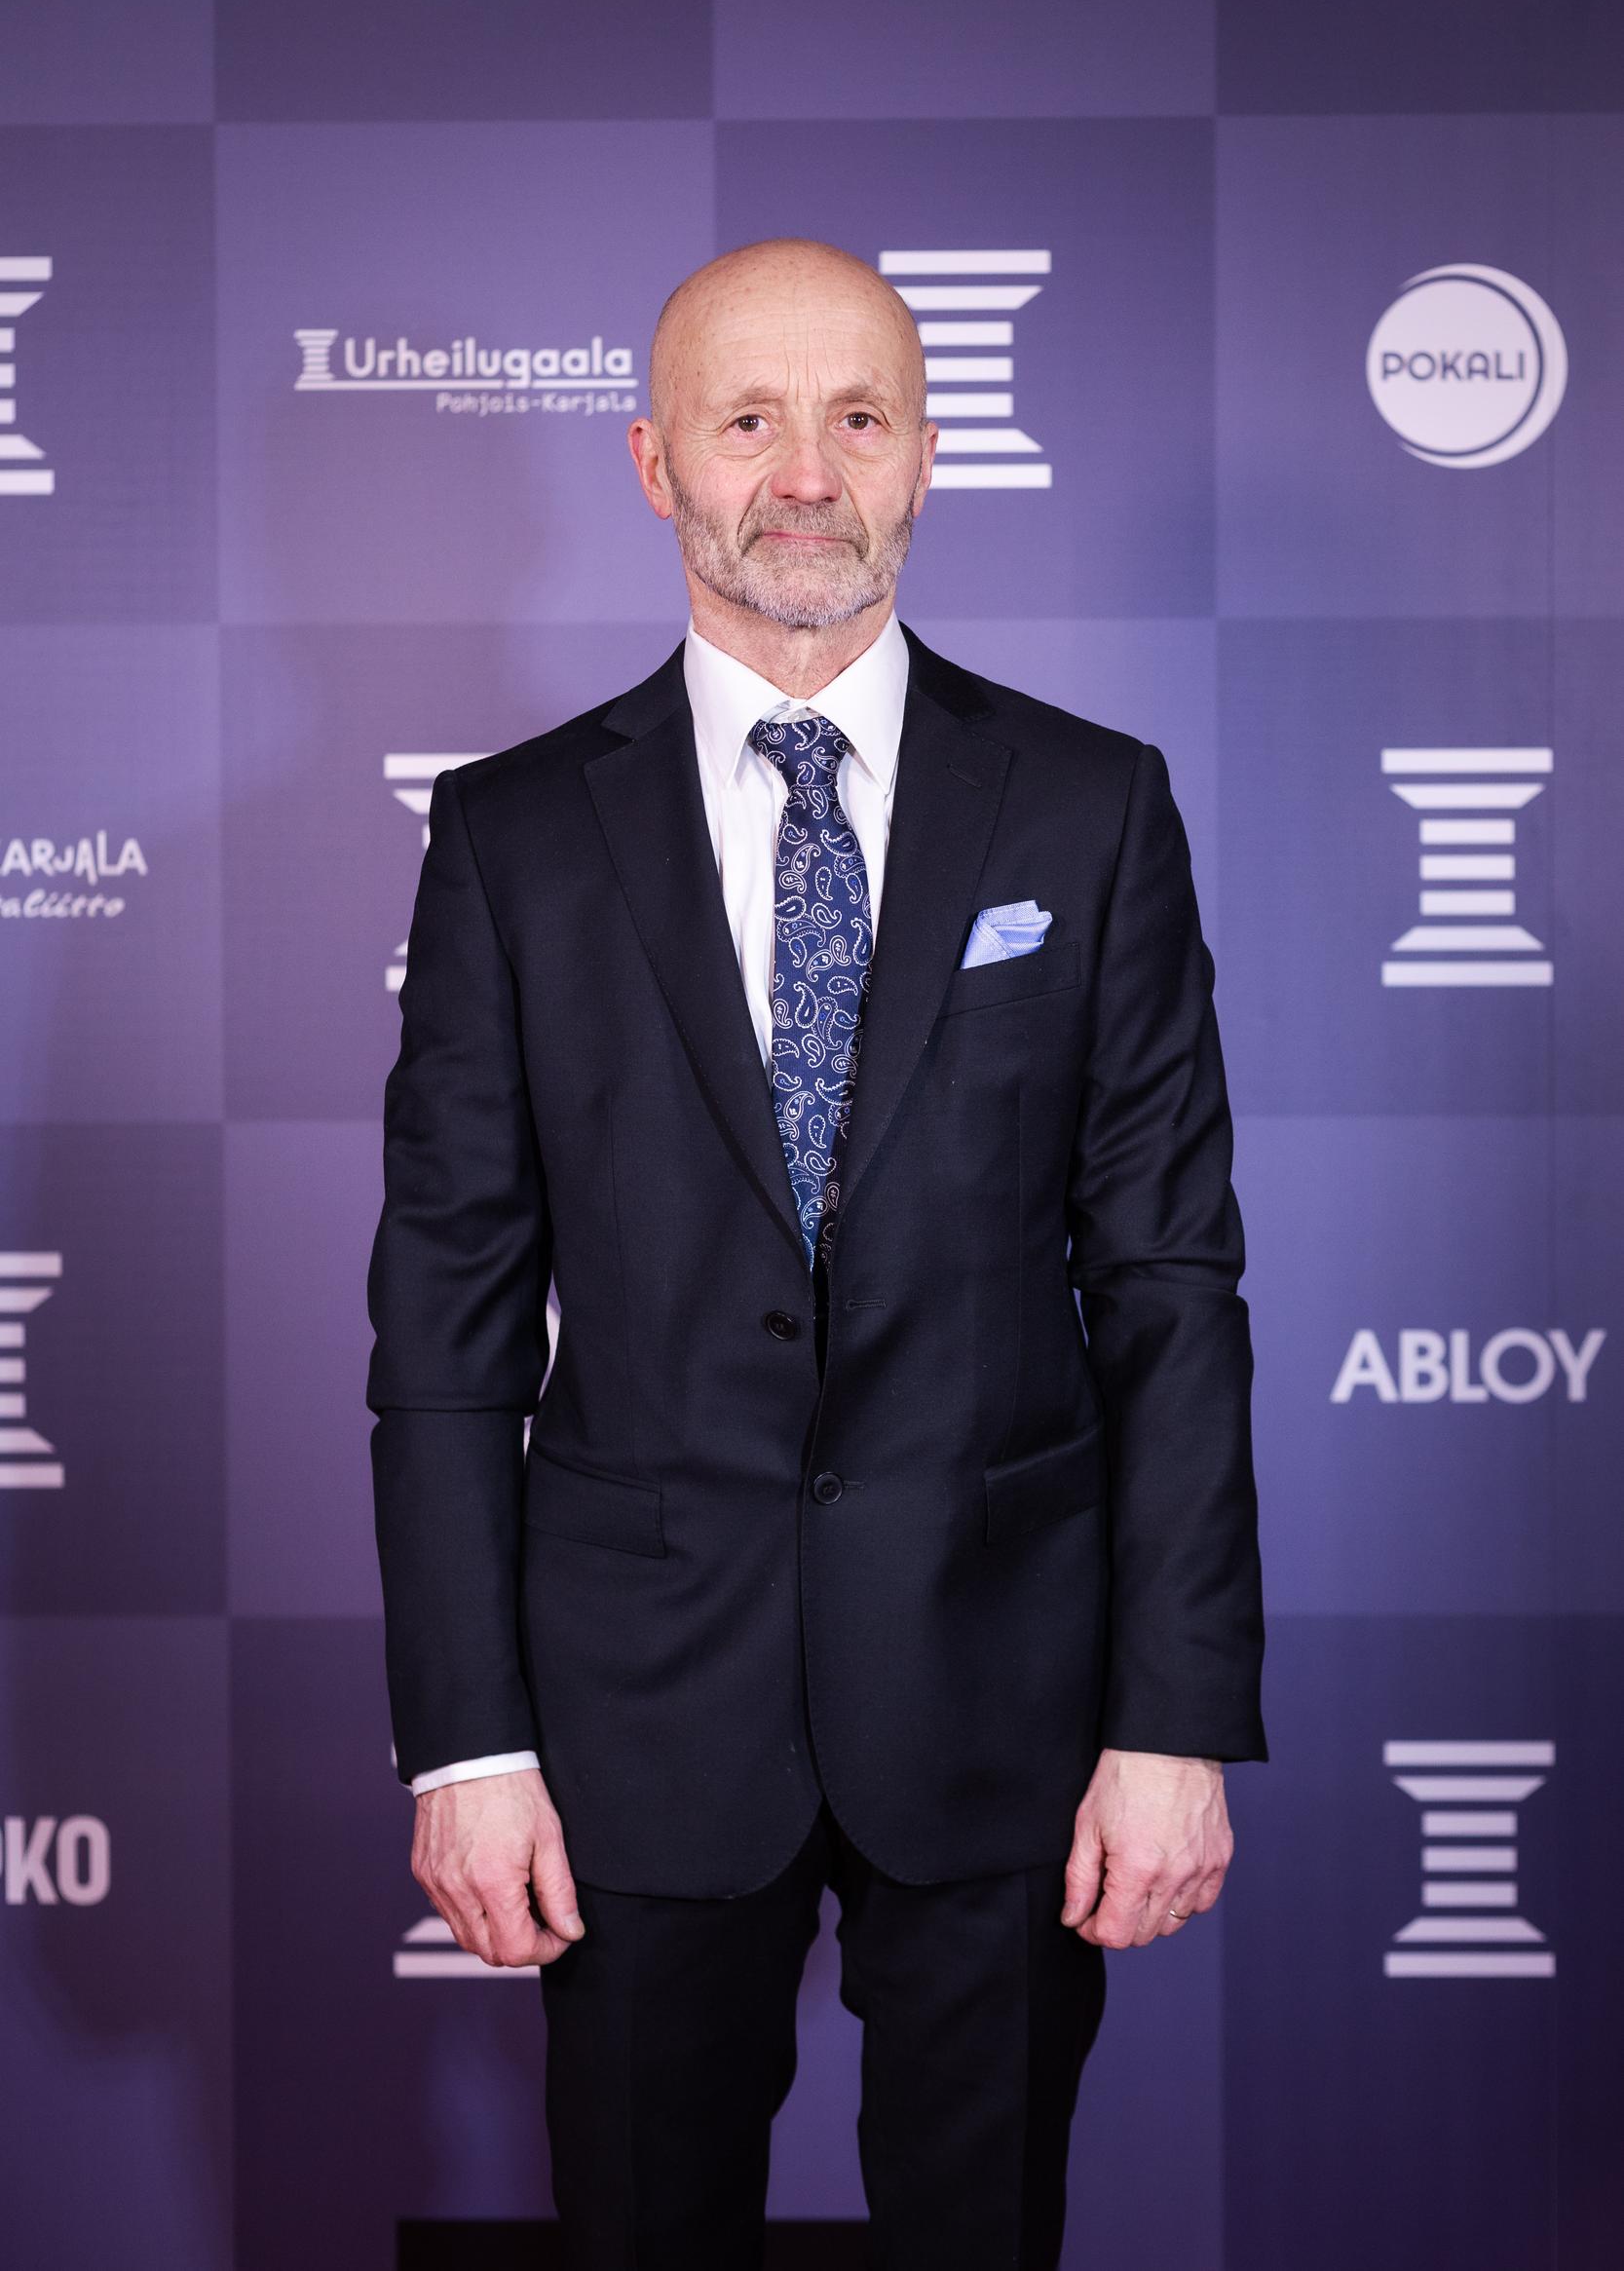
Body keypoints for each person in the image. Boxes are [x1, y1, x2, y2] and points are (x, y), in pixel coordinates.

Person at [364, 235, 1266, 2268]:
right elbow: (445, 1330)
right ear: (653, 462)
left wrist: (1175, 1715)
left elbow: (1169, 1290)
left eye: (857, 417)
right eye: (747, 421)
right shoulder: (511, 838)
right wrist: (469, 1739)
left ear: (926, 454)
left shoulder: (1092, 808)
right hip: (634, 1719)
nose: (803, 472)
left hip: (1007, 1706)